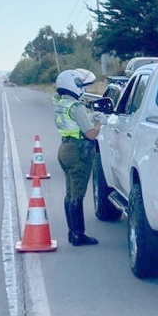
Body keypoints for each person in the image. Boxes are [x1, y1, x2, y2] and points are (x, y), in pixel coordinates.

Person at [54, 68, 102, 246]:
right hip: (78, 152)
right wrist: (99, 122)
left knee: (69, 194)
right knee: (78, 196)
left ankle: (72, 233)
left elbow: (75, 123)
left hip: (65, 149)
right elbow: (91, 134)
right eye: (82, 85)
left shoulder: (61, 104)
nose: (84, 89)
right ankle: (79, 235)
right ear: (73, 85)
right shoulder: (76, 106)